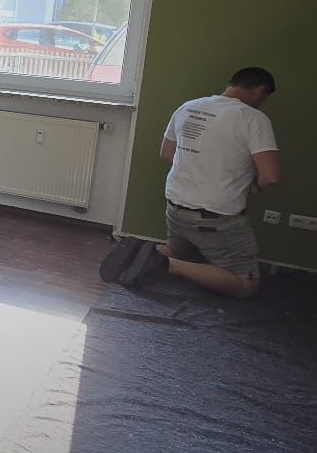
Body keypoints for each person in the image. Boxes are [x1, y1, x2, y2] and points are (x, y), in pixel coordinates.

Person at [105, 67, 280, 298]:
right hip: (216, 216)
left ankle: (147, 254)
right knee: (246, 284)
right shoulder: (252, 118)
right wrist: (254, 186)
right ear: (261, 90)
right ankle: (167, 265)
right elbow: (271, 176)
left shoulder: (189, 107)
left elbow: (167, 153)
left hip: (176, 205)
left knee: (180, 250)